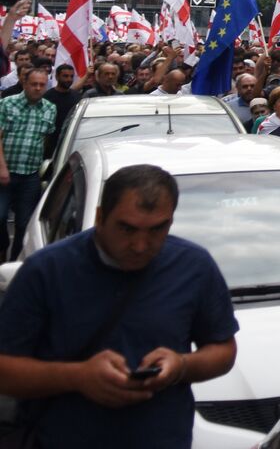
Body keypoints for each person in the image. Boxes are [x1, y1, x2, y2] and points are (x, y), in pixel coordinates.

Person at [0, 165, 238, 447]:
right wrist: (78, 377)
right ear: (100, 217)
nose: (139, 245)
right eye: (126, 228)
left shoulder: (194, 267)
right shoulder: (46, 271)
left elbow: (223, 350)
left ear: (171, 221)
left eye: (156, 229)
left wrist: (181, 366)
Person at [0, 67, 56, 260]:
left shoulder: (50, 108)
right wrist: (2, 167)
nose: (38, 88)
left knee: (24, 223)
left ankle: (14, 260)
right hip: (5, 172)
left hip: (30, 175)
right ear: (25, 84)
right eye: (34, 84)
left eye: (42, 85)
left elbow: (46, 138)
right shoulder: (7, 104)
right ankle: (2, 247)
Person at [44, 63, 83, 135]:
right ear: (57, 77)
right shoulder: (47, 96)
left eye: (71, 76)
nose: (69, 79)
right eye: (65, 76)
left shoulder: (77, 96)